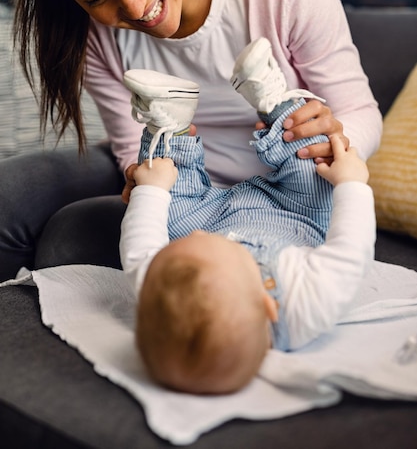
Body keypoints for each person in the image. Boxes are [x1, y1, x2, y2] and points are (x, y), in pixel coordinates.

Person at [1, 0, 381, 282]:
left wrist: (335, 135)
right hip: (188, 194)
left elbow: (364, 114)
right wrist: (145, 177)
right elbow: (130, 145)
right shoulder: (92, 33)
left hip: (291, 189)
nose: (135, 6)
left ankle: (273, 105)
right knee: (42, 217)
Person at [120, 38, 375, 394]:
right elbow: (351, 251)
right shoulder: (306, 306)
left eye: (190, 247)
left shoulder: (160, 293)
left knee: (171, 216)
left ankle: (170, 123)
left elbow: (140, 248)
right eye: (212, 249)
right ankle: (274, 103)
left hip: (208, 214)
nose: (195, 241)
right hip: (293, 212)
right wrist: (352, 183)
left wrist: (149, 191)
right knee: (315, 176)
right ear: (268, 306)